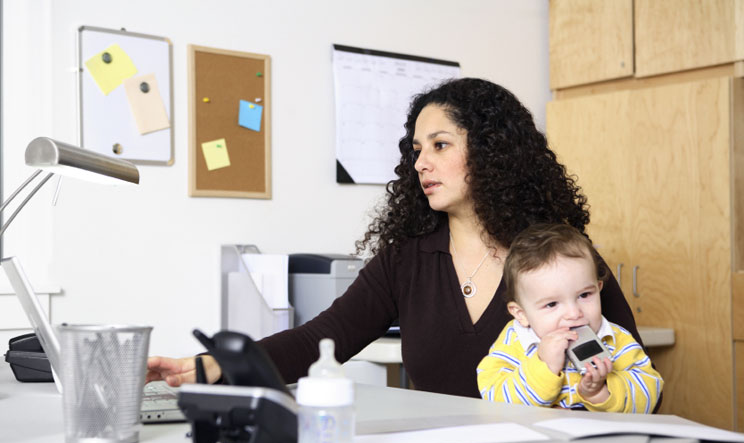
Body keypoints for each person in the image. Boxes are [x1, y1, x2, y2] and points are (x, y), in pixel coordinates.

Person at [147, 77, 650, 399]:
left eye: (440, 145)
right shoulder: (406, 260)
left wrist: (598, 391)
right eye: (416, 149)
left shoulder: (559, 259)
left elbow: (641, 377)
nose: (420, 163)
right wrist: (218, 365)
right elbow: (318, 341)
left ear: (494, 153)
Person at [476, 223, 663, 412]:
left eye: (584, 295)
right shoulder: (514, 342)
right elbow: (494, 398)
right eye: (551, 304)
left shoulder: (615, 339)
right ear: (521, 314)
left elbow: (650, 391)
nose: (574, 314)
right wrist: (544, 366)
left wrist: (600, 393)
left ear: (598, 289)